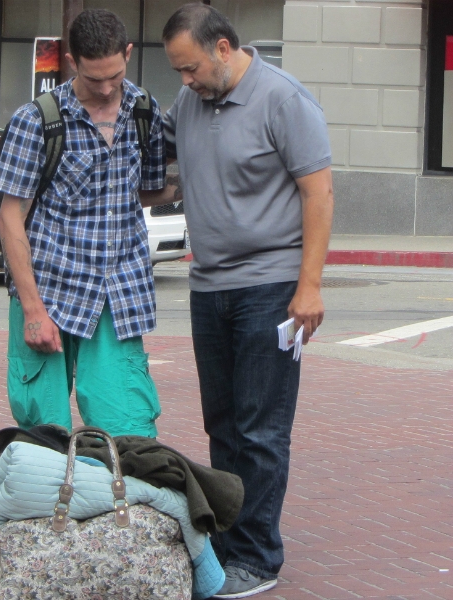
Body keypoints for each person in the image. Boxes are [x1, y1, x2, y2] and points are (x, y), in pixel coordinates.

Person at [158, 4, 334, 597]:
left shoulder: (284, 100)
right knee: (224, 426)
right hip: (209, 287)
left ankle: (258, 558)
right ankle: (228, 549)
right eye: (178, 72)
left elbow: (319, 192)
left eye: (190, 68)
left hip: (271, 287)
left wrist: (308, 286)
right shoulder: (190, 102)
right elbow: (165, 170)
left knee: (261, 430)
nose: (184, 82)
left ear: (224, 48)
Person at [0, 9, 176, 438]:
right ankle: (49, 506)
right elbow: (10, 216)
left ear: (128, 53)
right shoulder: (36, 119)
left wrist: (199, 184)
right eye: (95, 79)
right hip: (50, 291)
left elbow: (145, 192)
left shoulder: (143, 111)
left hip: (118, 292)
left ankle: (123, 506)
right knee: (44, 434)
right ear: (73, 61)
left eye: (115, 74)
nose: (107, 88)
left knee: (129, 428)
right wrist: (33, 310)